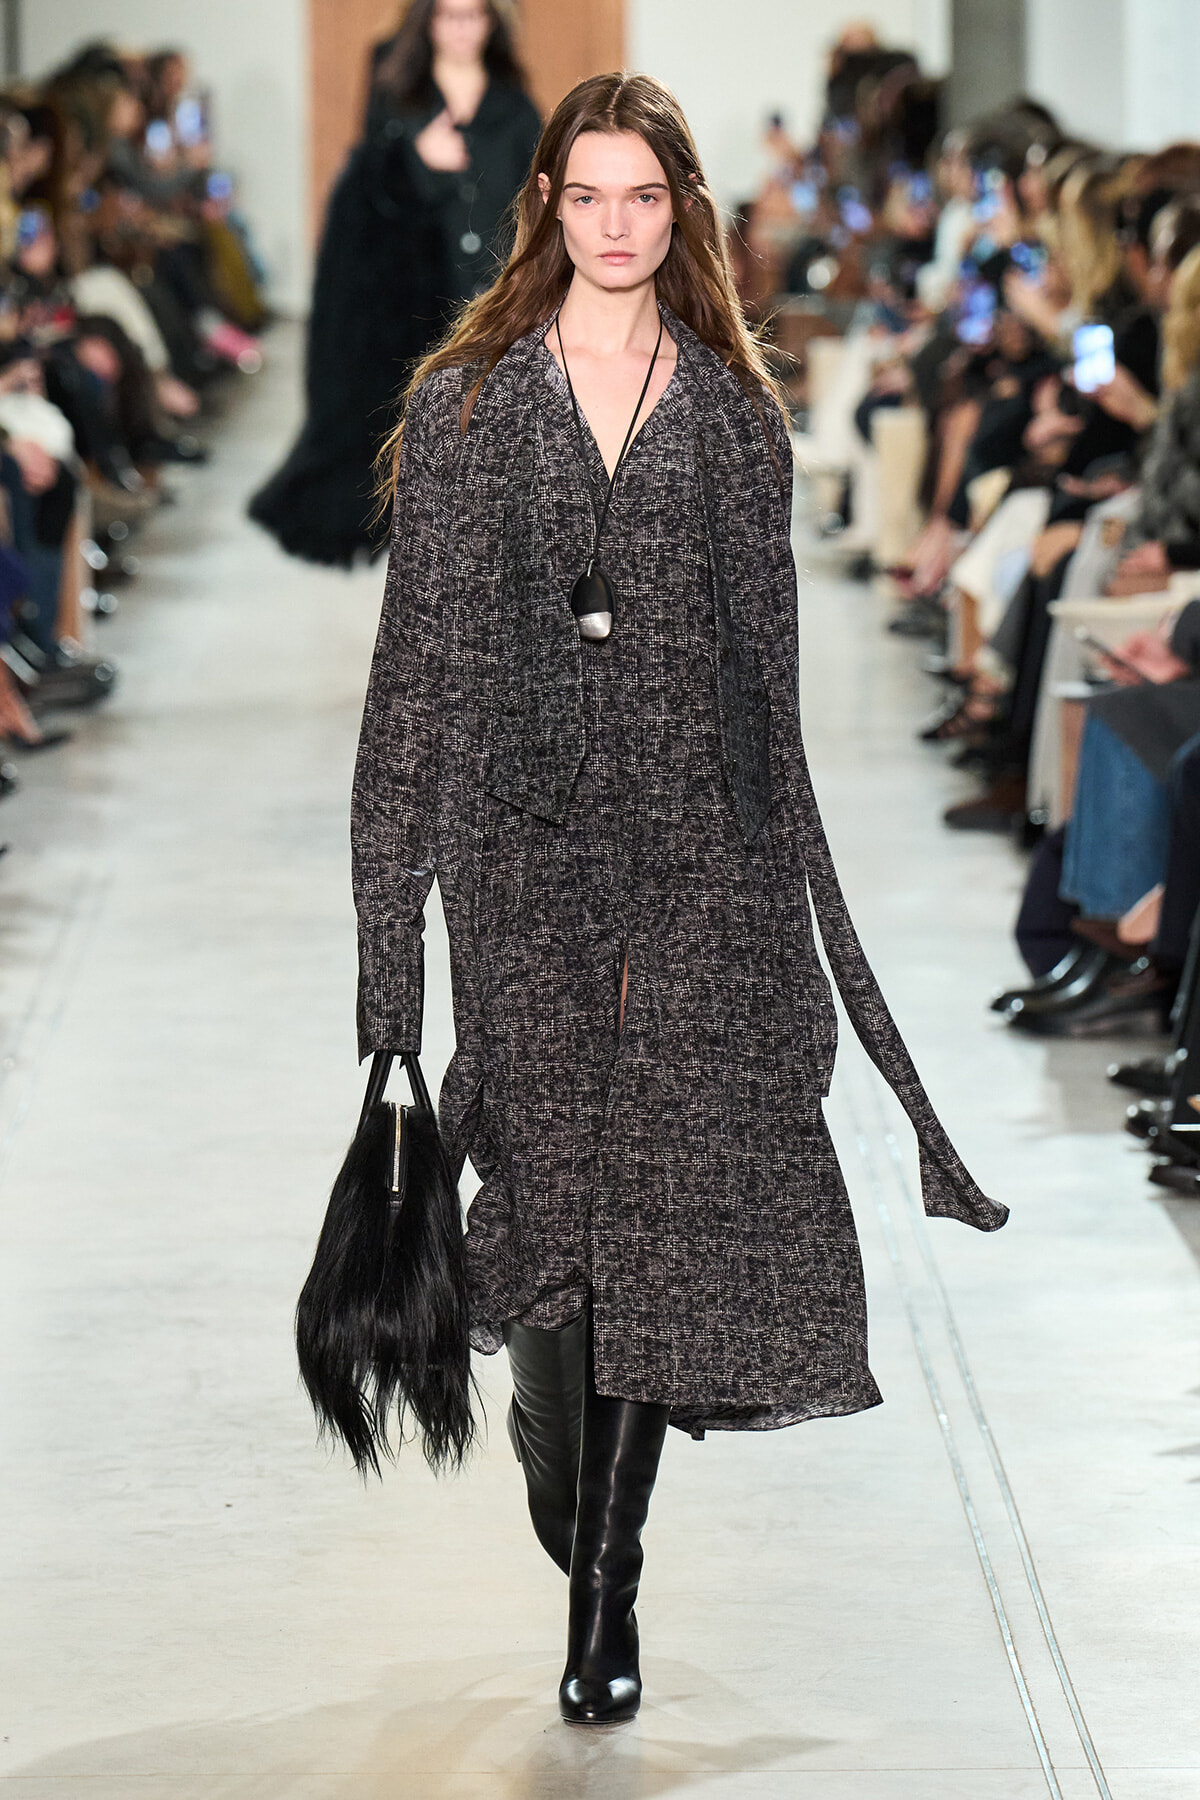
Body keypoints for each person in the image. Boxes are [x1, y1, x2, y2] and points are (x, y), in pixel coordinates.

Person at [351, 72, 1006, 1729]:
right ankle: (569, 1487)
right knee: (553, 1211)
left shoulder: (732, 418)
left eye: (646, 196)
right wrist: (389, 980)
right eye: (591, 196)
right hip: (521, 866)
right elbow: (412, 686)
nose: (619, 224)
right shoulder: (470, 411)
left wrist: (794, 933)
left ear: (681, 209)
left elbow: (766, 695)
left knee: (648, 1223)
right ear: (551, 209)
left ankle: (604, 1596)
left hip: (697, 865)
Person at [249, 0, 539, 567]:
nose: (459, 29)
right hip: (411, 292)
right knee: (418, 429)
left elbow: (530, 201)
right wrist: (412, 157)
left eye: (472, 16)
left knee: (490, 435)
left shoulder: (517, 109)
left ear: (491, 23)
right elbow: (367, 193)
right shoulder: (398, 94)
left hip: (492, 293)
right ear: (427, 22)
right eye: (447, 16)